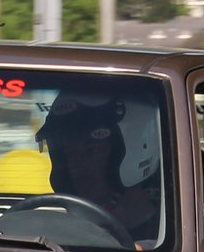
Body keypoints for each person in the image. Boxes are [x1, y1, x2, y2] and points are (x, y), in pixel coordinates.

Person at [34, 96, 160, 241]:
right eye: (69, 153)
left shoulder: (162, 235)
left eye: (92, 151)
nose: (78, 164)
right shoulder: (65, 222)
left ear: (133, 150)